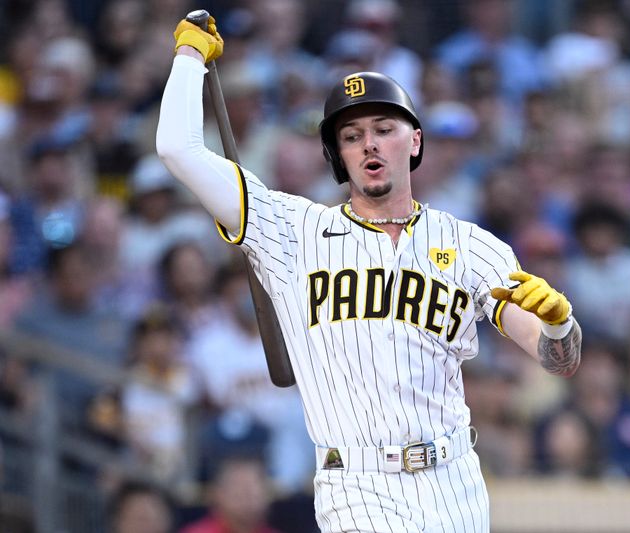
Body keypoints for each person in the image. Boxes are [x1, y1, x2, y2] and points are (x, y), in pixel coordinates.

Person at [157, 16, 582, 532]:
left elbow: (557, 361)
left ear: (415, 141)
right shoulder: (291, 229)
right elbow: (178, 150)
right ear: (338, 156)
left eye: (384, 129)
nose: (370, 144)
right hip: (355, 483)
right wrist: (189, 57)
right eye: (352, 135)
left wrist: (560, 326)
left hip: (454, 482)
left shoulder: (470, 245)